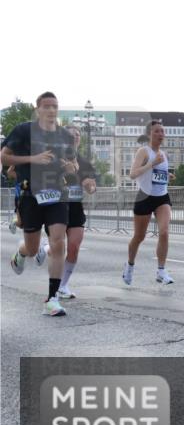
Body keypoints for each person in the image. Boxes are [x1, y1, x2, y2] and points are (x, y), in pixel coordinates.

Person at [1, 92, 76, 316]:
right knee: (33, 249)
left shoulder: (64, 135)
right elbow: (3, 157)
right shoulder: (24, 130)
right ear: (38, 109)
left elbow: (70, 162)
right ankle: (21, 254)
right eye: (47, 106)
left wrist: (70, 168)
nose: (52, 110)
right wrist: (32, 159)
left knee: (58, 241)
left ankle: (52, 299)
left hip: (56, 193)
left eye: (55, 106)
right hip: (29, 194)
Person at [41, 125, 98, 299]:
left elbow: (92, 187)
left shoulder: (85, 162)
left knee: (73, 247)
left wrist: (89, 185)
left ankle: (63, 286)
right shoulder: (54, 157)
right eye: (70, 135)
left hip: (75, 207)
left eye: (78, 134)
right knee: (58, 247)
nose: (74, 137)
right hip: (56, 206)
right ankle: (45, 248)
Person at [123, 119, 175, 285]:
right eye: (156, 131)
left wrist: (167, 176)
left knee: (164, 232)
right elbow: (132, 174)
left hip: (162, 197)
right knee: (139, 236)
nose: (160, 134)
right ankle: (129, 266)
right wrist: (152, 164)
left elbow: (158, 175)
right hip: (145, 197)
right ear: (149, 134)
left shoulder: (164, 155)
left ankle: (161, 270)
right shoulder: (143, 152)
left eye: (162, 131)